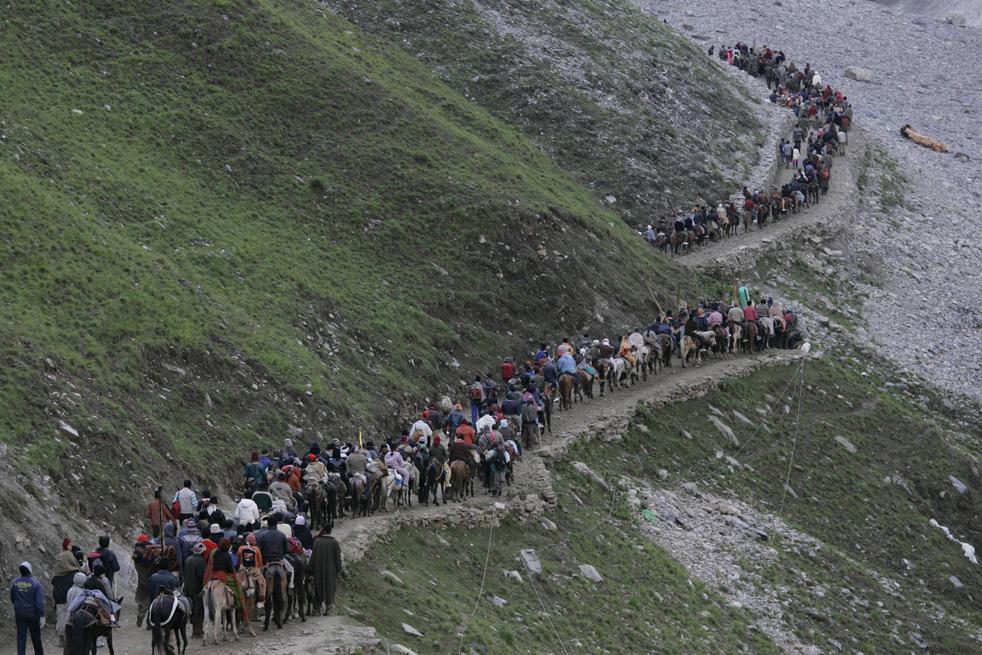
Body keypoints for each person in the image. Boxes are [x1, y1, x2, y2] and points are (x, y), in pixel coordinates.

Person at [10, 562, 44, 655]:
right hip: (32, 614)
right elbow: (39, 603)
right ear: (30, 570)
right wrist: (42, 616)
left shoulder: (15, 582)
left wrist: (18, 606)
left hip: (19, 613)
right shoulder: (36, 583)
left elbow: (12, 597)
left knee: (21, 636)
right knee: (36, 636)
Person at [309, 526, 343, 616]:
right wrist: (338, 569)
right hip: (331, 570)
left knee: (317, 588)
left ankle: (316, 610)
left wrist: (310, 569)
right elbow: (338, 559)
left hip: (318, 569)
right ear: (330, 531)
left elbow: (313, 556)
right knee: (330, 588)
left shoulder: (317, 541)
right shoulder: (334, 543)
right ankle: (329, 610)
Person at [51, 547, 79, 647]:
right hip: (73, 600)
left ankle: (62, 639)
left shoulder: (57, 574)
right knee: (72, 618)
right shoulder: (75, 573)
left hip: (60, 599)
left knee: (61, 618)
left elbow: (53, 583)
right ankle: (71, 639)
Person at [182, 543, 206, 638]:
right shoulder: (200, 562)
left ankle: (196, 630)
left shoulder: (188, 559)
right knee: (199, 610)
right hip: (197, 589)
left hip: (187, 588)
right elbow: (201, 577)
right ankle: (197, 632)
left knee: (191, 609)